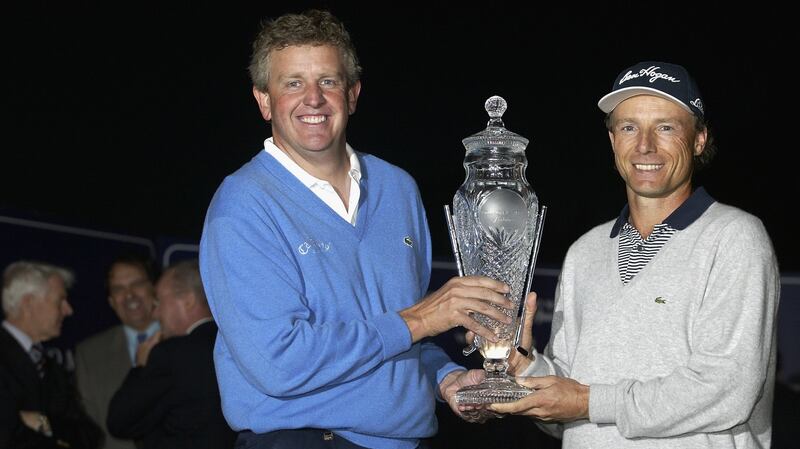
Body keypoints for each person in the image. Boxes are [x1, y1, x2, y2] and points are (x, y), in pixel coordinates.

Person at [199, 9, 514, 449]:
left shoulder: (397, 188)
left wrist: (447, 379)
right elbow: (279, 363)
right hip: (303, 440)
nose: (313, 98)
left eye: (328, 81)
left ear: (352, 94)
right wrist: (421, 319)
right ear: (263, 100)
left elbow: (400, 334)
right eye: (293, 83)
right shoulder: (244, 205)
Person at [489, 61, 781, 448]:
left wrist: (588, 402)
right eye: (628, 127)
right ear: (612, 141)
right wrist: (527, 369)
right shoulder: (585, 252)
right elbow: (565, 417)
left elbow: (728, 390)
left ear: (698, 139)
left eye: (665, 127)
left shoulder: (735, 238)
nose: (644, 146)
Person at [106, 259, 235, 449]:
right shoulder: (233, 344)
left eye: (159, 302)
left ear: (188, 301)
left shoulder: (170, 355)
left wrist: (140, 366)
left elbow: (119, 422)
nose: (155, 313)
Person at [0, 260, 102, 449]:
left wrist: (42, 422)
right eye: (60, 301)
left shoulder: (53, 370)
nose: (68, 310)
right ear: (28, 303)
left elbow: (90, 436)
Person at [74, 253, 160, 449]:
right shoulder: (88, 353)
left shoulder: (184, 342)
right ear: (111, 301)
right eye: (118, 289)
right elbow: (89, 428)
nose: (129, 295)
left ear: (154, 289)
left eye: (137, 284)